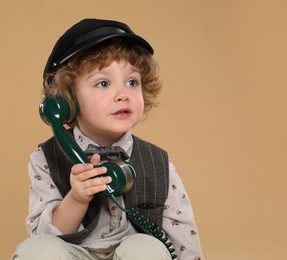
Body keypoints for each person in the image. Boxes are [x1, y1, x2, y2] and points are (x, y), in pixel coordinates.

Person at [12, 18, 203, 260]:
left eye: (132, 82)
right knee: (36, 250)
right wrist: (77, 198)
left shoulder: (157, 162)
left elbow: (182, 233)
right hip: (73, 254)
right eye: (103, 83)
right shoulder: (45, 159)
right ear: (66, 99)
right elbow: (43, 234)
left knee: (145, 246)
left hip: (130, 255)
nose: (123, 95)